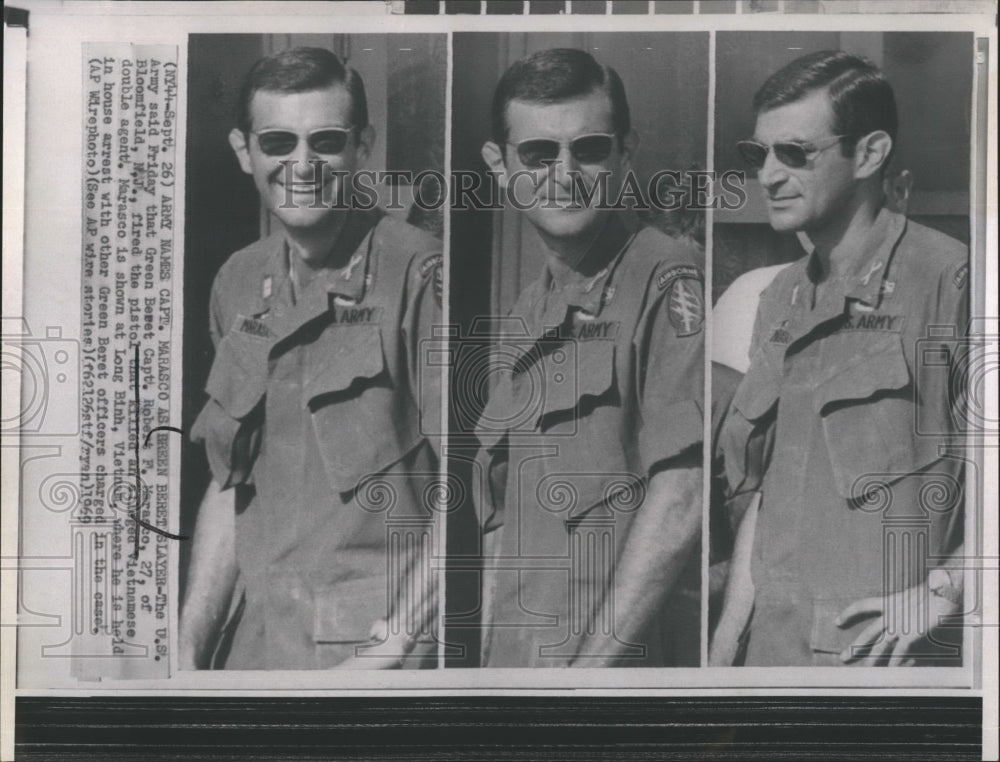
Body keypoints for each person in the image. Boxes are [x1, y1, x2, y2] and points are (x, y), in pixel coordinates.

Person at [179, 47, 442, 670]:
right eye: (278, 142)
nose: (302, 165)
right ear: (245, 151)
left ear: (363, 146)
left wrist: (388, 652)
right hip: (257, 650)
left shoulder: (420, 271)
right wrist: (189, 639)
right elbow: (229, 479)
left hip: (378, 660)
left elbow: (474, 489)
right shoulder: (237, 282)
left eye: (325, 140)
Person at [711, 51, 967, 667]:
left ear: (871, 154)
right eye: (759, 154)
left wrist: (948, 590)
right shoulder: (780, 297)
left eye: (795, 153)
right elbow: (774, 493)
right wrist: (724, 645)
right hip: (769, 661)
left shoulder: (949, 281)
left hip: (877, 671)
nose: (769, 175)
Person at [475, 48, 704, 667]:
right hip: (520, 665)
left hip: (609, 675)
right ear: (500, 165)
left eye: (591, 149)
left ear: (626, 154)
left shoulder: (665, 274)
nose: (565, 172)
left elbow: (683, 494)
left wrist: (586, 678)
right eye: (539, 153)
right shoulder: (528, 311)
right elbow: (503, 530)